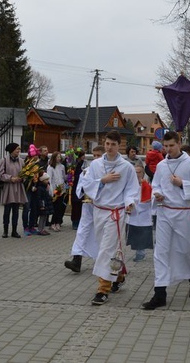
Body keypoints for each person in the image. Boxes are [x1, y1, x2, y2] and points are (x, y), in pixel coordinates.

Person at [142, 132, 190, 310]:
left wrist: (183, 184)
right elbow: (155, 183)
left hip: (184, 213)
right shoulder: (162, 165)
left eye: (172, 145)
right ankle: (160, 293)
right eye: (166, 146)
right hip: (164, 212)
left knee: (186, 249)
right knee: (161, 252)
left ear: (179, 143)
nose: (169, 149)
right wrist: (157, 193)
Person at [84, 131, 139, 306]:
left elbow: (131, 188)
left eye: (113, 144)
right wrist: (102, 180)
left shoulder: (126, 167)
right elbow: (87, 184)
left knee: (106, 250)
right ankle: (119, 275)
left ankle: (102, 289)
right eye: (107, 144)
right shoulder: (96, 165)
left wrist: (130, 202)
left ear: (119, 146)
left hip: (116, 212)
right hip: (99, 211)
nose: (109, 147)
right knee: (105, 247)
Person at [64, 146, 103, 273]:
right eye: (94, 155)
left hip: (102, 207)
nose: (96, 158)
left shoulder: (108, 171)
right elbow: (79, 187)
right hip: (87, 206)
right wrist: (84, 192)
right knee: (82, 231)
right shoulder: (86, 170)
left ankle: (103, 261)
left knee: (102, 233)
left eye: (99, 155)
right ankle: (76, 260)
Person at [0, 143, 25, 238]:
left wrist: (22, 178)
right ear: (12, 150)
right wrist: (10, 178)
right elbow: (0, 174)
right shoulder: (4, 160)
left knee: (16, 211)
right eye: (17, 149)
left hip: (18, 187)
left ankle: (14, 231)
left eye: (19, 149)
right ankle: (5, 231)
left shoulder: (21, 161)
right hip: (8, 188)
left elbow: (25, 173)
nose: (18, 151)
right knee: (7, 210)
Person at [128, 164, 153, 262]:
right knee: (134, 235)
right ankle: (138, 251)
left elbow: (148, 201)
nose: (137, 174)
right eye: (135, 172)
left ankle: (140, 253)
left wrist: (137, 205)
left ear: (143, 174)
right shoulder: (130, 185)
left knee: (142, 235)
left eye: (139, 172)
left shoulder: (147, 186)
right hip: (132, 214)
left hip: (143, 214)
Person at [47, 152, 67, 231]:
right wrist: (51, 191)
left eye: (60, 157)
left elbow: (63, 177)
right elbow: (49, 179)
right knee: (55, 207)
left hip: (61, 188)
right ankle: (53, 223)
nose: (59, 158)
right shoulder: (50, 167)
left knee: (60, 207)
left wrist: (69, 177)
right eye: (57, 157)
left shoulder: (62, 166)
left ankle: (58, 222)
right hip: (55, 190)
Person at [69, 149, 87, 229]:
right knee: (75, 204)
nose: (84, 157)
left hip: (82, 186)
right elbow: (73, 176)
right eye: (83, 155)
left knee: (80, 204)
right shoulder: (74, 165)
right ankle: (74, 221)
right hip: (75, 185)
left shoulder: (84, 164)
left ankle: (80, 220)